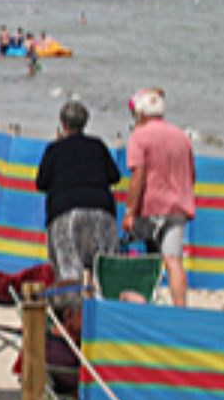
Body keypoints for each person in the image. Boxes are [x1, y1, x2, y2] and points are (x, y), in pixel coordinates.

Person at [35, 100, 122, 295]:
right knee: (103, 269)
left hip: (66, 212)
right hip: (101, 210)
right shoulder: (97, 145)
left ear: (62, 124)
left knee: (68, 270)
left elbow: (41, 183)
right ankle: (102, 311)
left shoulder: (54, 149)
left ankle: (73, 315)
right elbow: (114, 176)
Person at [122, 88, 197, 307]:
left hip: (151, 206)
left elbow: (138, 176)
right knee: (174, 260)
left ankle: (142, 298)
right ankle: (180, 308)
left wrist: (129, 211)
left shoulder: (139, 137)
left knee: (144, 255)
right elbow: (191, 175)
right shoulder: (182, 137)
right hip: (179, 208)